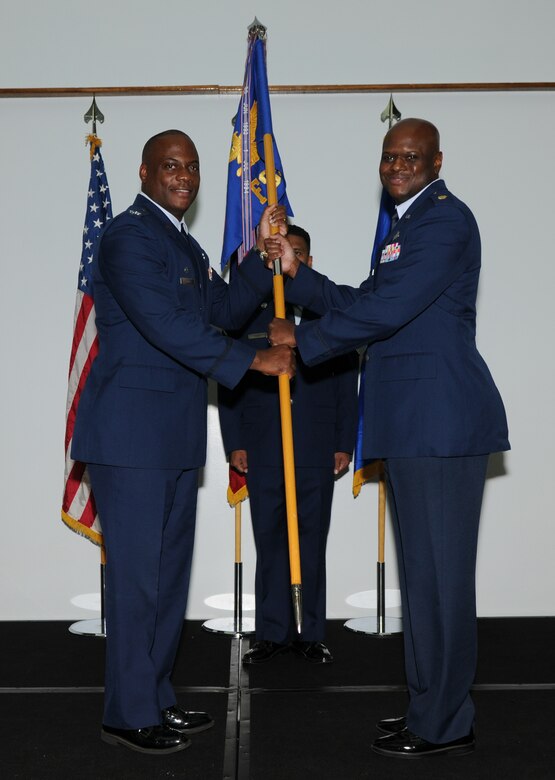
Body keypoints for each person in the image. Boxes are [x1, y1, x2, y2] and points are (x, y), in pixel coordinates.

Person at [264, 118, 510, 758]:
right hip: (412, 422)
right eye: (390, 155)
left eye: (411, 156)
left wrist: (304, 341)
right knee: (423, 579)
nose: (397, 165)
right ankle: (430, 709)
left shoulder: (446, 221)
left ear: (436, 161)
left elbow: (386, 311)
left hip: (440, 421)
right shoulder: (406, 227)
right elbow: (362, 297)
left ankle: (446, 721)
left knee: (443, 582)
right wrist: (299, 271)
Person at [71, 129, 294, 755]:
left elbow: (221, 307)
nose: (185, 176)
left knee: (168, 581)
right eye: (171, 165)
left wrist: (261, 254)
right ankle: (127, 711)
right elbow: (168, 327)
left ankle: (156, 697)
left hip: (172, 437)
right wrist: (255, 361)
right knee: (138, 583)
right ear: (144, 171)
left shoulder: (181, 243)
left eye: (191, 167)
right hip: (130, 437)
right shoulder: (127, 237)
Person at [218, 225, 359, 665]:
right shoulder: (250, 320)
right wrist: (235, 441)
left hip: (316, 448)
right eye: (282, 253)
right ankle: (272, 633)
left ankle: (310, 632)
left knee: (311, 539)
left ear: (309, 263)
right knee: (271, 539)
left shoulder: (330, 321)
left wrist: (343, 441)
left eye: (297, 253)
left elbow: (345, 385)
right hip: (264, 446)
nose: (289, 260)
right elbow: (231, 380)